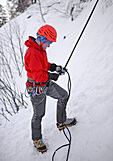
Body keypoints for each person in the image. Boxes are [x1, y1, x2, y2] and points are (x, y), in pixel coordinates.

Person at [24, 24, 76, 153]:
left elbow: (43, 65)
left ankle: (61, 121)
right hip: (37, 88)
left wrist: (54, 67)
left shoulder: (40, 49)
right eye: (49, 42)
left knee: (63, 95)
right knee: (39, 114)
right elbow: (37, 75)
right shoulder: (32, 52)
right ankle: (37, 139)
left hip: (45, 83)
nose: (49, 45)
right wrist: (52, 75)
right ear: (41, 39)